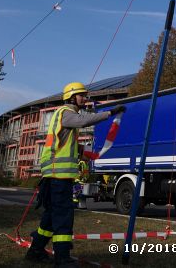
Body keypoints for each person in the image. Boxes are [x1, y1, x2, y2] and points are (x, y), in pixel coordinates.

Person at [26, 82, 125, 267]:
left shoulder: (65, 116)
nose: (84, 98)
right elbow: (84, 121)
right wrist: (110, 113)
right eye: (81, 95)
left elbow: (66, 146)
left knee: (51, 216)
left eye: (85, 95)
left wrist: (88, 152)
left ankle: (35, 251)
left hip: (54, 176)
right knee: (64, 215)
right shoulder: (66, 113)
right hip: (58, 177)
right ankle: (62, 258)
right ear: (71, 97)